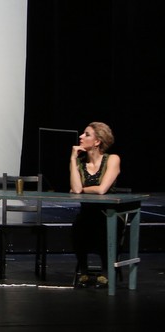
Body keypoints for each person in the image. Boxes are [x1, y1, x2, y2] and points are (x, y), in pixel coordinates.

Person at [68, 121, 121, 288]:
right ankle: (84, 271)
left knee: (102, 226)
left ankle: (106, 272)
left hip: (109, 214)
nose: (81, 137)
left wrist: (82, 189)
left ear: (97, 141)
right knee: (79, 226)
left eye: (87, 134)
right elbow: (76, 189)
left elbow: (102, 189)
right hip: (87, 215)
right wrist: (73, 159)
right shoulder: (80, 163)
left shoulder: (112, 159)